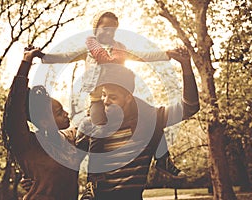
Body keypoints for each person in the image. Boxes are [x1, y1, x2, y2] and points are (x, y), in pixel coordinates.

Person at [80, 47, 200, 200]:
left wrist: (186, 66)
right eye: (104, 95)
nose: (106, 101)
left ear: (129, 98)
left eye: (113, 97)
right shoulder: (97, 124)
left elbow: (190, 108)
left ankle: (163, 161)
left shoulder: (148, 120)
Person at [35, 10, 171, 126]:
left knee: (132, 119)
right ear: (96, 29)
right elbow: (66, 56)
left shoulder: (120, 49)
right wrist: (44, 56)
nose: (109, 33)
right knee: (98, 126)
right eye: (105, 28)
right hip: (97, 96)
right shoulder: (88, 49)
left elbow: (143, 55)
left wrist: (166, 54)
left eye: (113, 30)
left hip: (117, 95)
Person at [2, 48, 84, 200]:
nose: (66, 114)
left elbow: (94, 118)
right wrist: (26, 61)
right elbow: (13, 113)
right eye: (59, 112)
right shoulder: (29, 144)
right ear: (45, 122)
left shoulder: (72, 138)